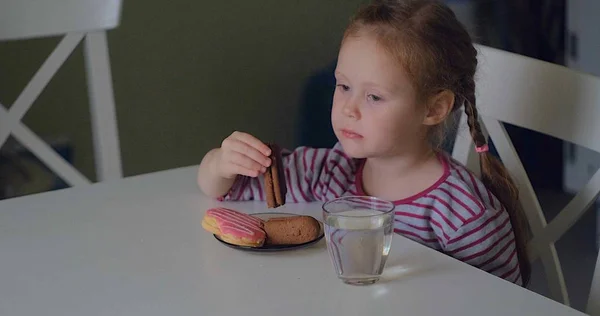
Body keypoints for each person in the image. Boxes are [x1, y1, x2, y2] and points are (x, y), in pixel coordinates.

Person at [197, 0, 530, 285]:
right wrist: (221, 160)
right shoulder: (330, 172)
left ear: (433, 108)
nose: (348, 108)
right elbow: (227, 188)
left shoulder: (464, 216)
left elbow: (503, 311)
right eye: (343, 86)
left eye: (373, 96)